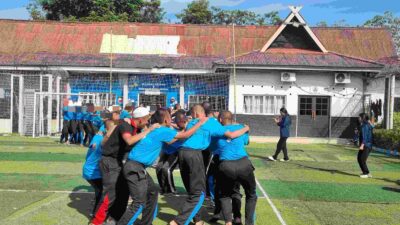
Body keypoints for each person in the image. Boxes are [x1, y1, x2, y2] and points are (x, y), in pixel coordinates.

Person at [118, 108, 207, 225]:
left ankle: (146, 222)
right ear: (166, 119)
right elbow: (185, 135)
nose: (172, 119)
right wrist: (200, 123)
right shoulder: (163, 130)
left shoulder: (156, 129)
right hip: (135, 168)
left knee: (153, 192)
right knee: (138, 203)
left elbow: (171, 142)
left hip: (134, 166)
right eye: (171, 117)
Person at [169, 105, 249, 225]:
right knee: (199, 193)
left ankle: (198, 220)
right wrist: (245, 128)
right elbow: (231, 135)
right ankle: (177, 222)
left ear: (194, 114)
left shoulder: (191, 122)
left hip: (181, 154)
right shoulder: (210, 122)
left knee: (192, 190)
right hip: (193, 155)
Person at [90, 107, 158, 225]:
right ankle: (95, 222)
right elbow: (129, 141)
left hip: (120, 163)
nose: (148, 122)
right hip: (110, 162)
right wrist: (148, 130)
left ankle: (114, 218)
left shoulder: (134, 126)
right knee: (110, 195)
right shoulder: (125, 126)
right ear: (141, 119)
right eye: (147, 120)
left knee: (124, 192)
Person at [216, 111, 257, 225]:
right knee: (251, 194)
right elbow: (247, 141)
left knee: (225, 195)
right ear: (232, 119)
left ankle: (228, 222)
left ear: (220, 120)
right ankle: (249, 223)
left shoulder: (217, 131)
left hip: (226, 166)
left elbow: (214, 149)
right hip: (244, 165)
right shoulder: (240, 127)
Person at [82, 120, 114, 218]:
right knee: (103, 193)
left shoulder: (97, 137)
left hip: (90, 170)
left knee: (99, 191)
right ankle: (96, 216)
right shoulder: (101, 139)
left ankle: (95, 212)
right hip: (93, 172)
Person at [156, 110, 187, 195]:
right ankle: (163, 188)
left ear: (184, 121)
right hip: (166, 151)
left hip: (175, 152)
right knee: (158, 168)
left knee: (167, 169)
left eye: (179, 122)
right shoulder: (174, 126)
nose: (177, 124)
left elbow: (181, 135)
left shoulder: (187, 128)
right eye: (176, 122)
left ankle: (171, 190)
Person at [358, 113, 373, 178]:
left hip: (366, 145)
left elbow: (365, 136)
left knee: (362, 159)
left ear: (363, 118)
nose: (358, 118)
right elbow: (372, 127)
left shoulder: (365, 125)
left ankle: (366, 173)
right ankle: (367, 172)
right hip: (367, 145)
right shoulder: (367, 124)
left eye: (360, 117)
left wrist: (362, 145)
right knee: (359, 158)